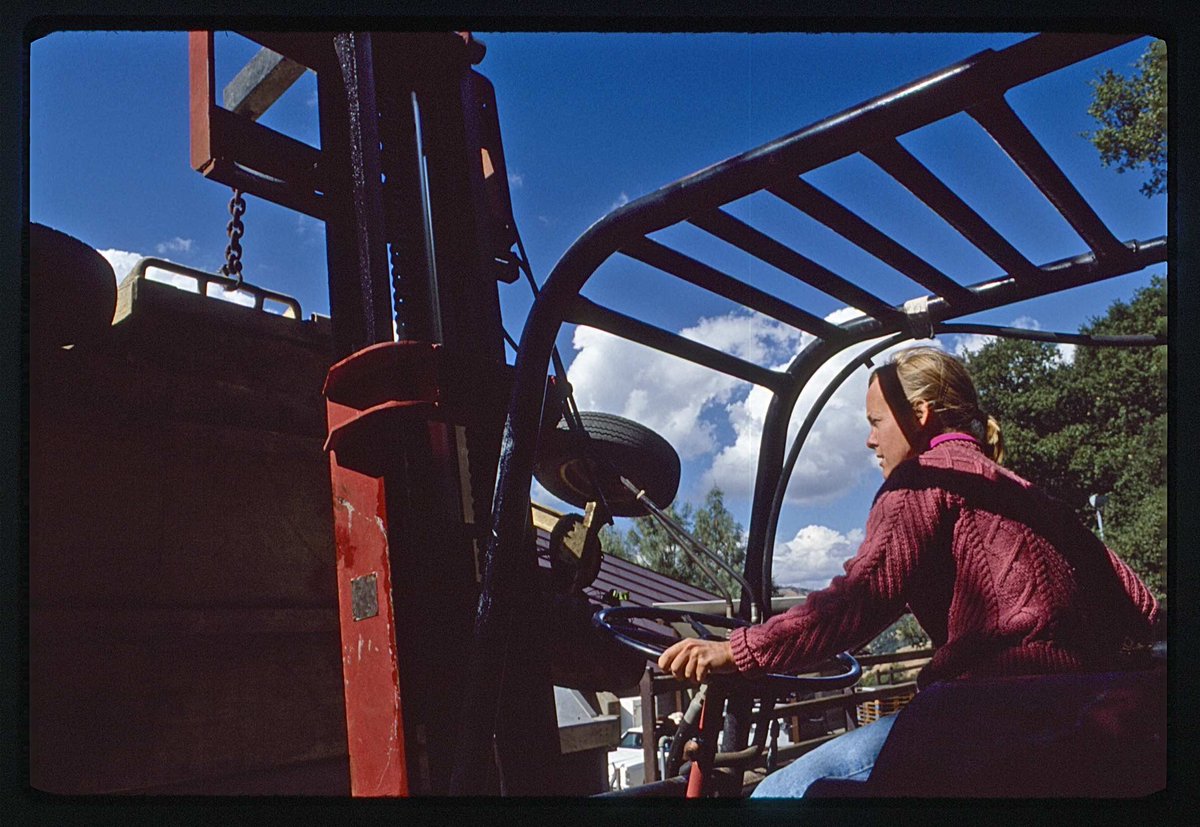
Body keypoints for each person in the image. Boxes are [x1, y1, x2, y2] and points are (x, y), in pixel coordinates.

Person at [656, 345, 1162, 797]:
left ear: (918, 415)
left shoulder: (919, 482)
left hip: (980, 716)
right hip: (1075, 714)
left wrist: (736, 650)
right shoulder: (1027, 494)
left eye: (875, 422)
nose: (869, 441)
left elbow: (861, 597)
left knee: (779, 792)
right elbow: (1140, 601)